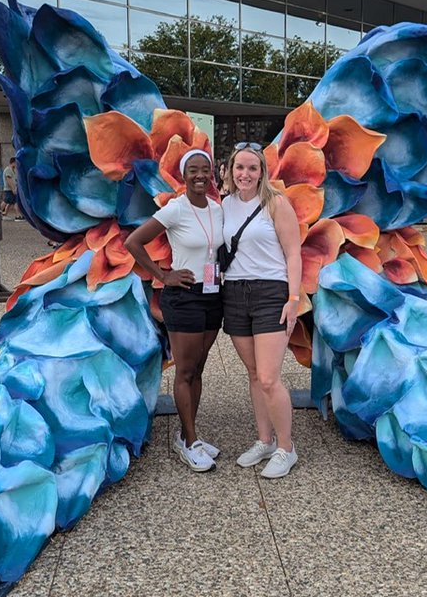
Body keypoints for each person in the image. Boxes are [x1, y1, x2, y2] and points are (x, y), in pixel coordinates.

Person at [125, 149, 224, 472]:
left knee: (198, 369)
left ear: (212, 173)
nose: (200, 175)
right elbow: (133, 242)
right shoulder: (175, 209)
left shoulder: (216, 209)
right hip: (184, 297)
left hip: (213, 295)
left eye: (205, 169)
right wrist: (163, 274)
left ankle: (187, 434)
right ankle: (190, 443)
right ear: (184, 175)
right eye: (193, 170)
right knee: (185, 371)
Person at [221, 141, 303, 478]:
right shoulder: (225, 205)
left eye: (252, 168)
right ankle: (265, 440)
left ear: (262, 172)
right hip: (234, 292)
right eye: (239, 167)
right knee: (254, 374)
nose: (245, 174)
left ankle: (286, 447)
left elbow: (294, 253)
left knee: (269, 377)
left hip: (270, 292)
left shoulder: (276, 203)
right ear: (230, 171)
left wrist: (293, 299)